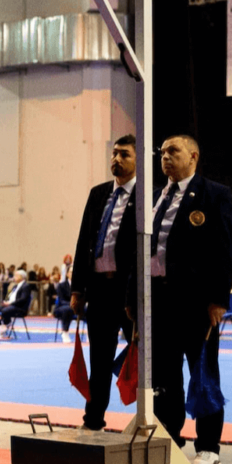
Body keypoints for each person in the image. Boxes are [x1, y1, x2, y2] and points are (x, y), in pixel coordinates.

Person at [130, 134, 232, 464]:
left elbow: (223, 249)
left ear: (193, 156)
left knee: (202, 373)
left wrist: (219, 299)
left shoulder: (214, 194)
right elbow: (141, 250)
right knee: (164, 375)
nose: (165, 157)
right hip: (159, 299)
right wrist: (135, 296)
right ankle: (170, 437)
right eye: (161, 153)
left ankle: (208, 446)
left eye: (172, 151)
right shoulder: (155, 197)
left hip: (197, 301)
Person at [70, 134, 137, 431]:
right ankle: (93, 418)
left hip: (130, 291)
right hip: (98, 289)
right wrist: (77, 287)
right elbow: (84, 238)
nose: (117, 159)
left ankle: (157, 420)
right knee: (99, 359)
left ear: (138, 160)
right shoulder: (98, 194)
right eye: (114, 154)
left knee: (145, 357)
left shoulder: (148, 196)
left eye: (124, 154)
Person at [0, 270, 34, 337]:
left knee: (5, 311)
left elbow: (22, 299)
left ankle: (7, 323)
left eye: (16, 276)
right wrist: (6, 301)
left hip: (19, 307)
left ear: (22, 277)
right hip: (10, 305)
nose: (14, 277)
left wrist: (10, 304)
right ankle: (0, 326)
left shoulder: (26, 286)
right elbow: (9, 296)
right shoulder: (15, 286)